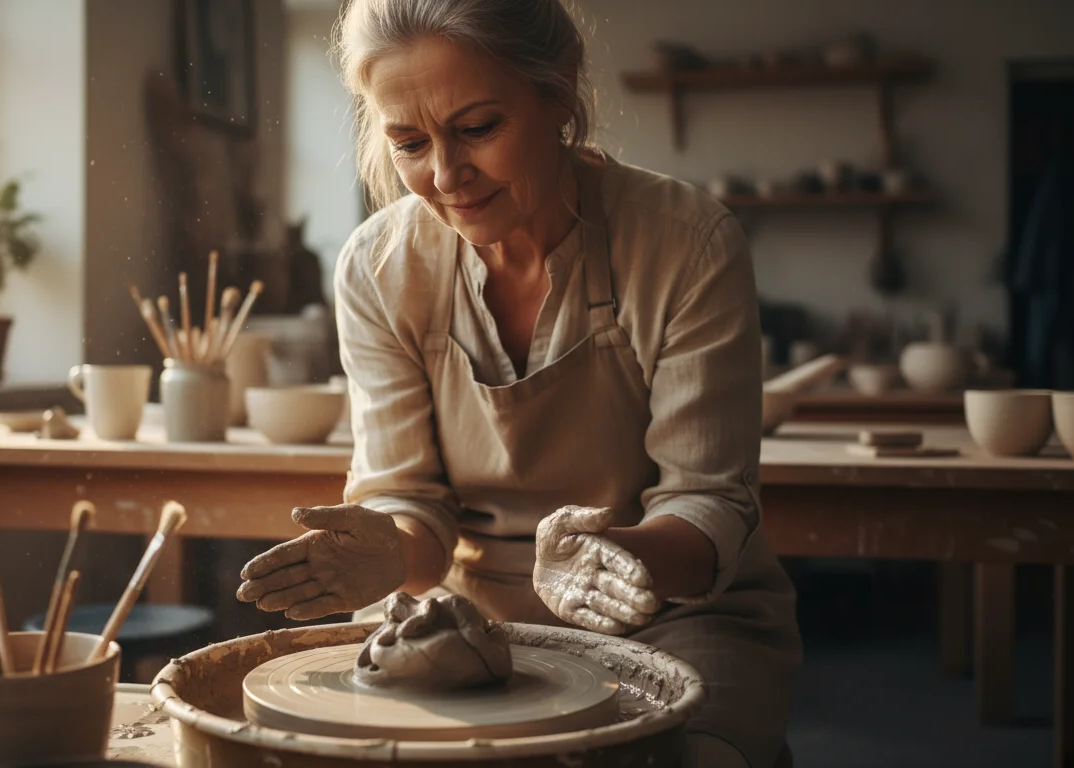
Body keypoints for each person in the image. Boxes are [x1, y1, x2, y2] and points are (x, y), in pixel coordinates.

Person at [236, 1, 801, 765]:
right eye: (408, 142)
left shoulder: (684, 239)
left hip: (672, 609)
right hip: (465, 623)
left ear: (559, 92)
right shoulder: (378, 266)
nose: (444, 176)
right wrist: (386, 552)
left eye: (477, 129)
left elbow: (709, 502)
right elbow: (413, 503)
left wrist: (617, 559)